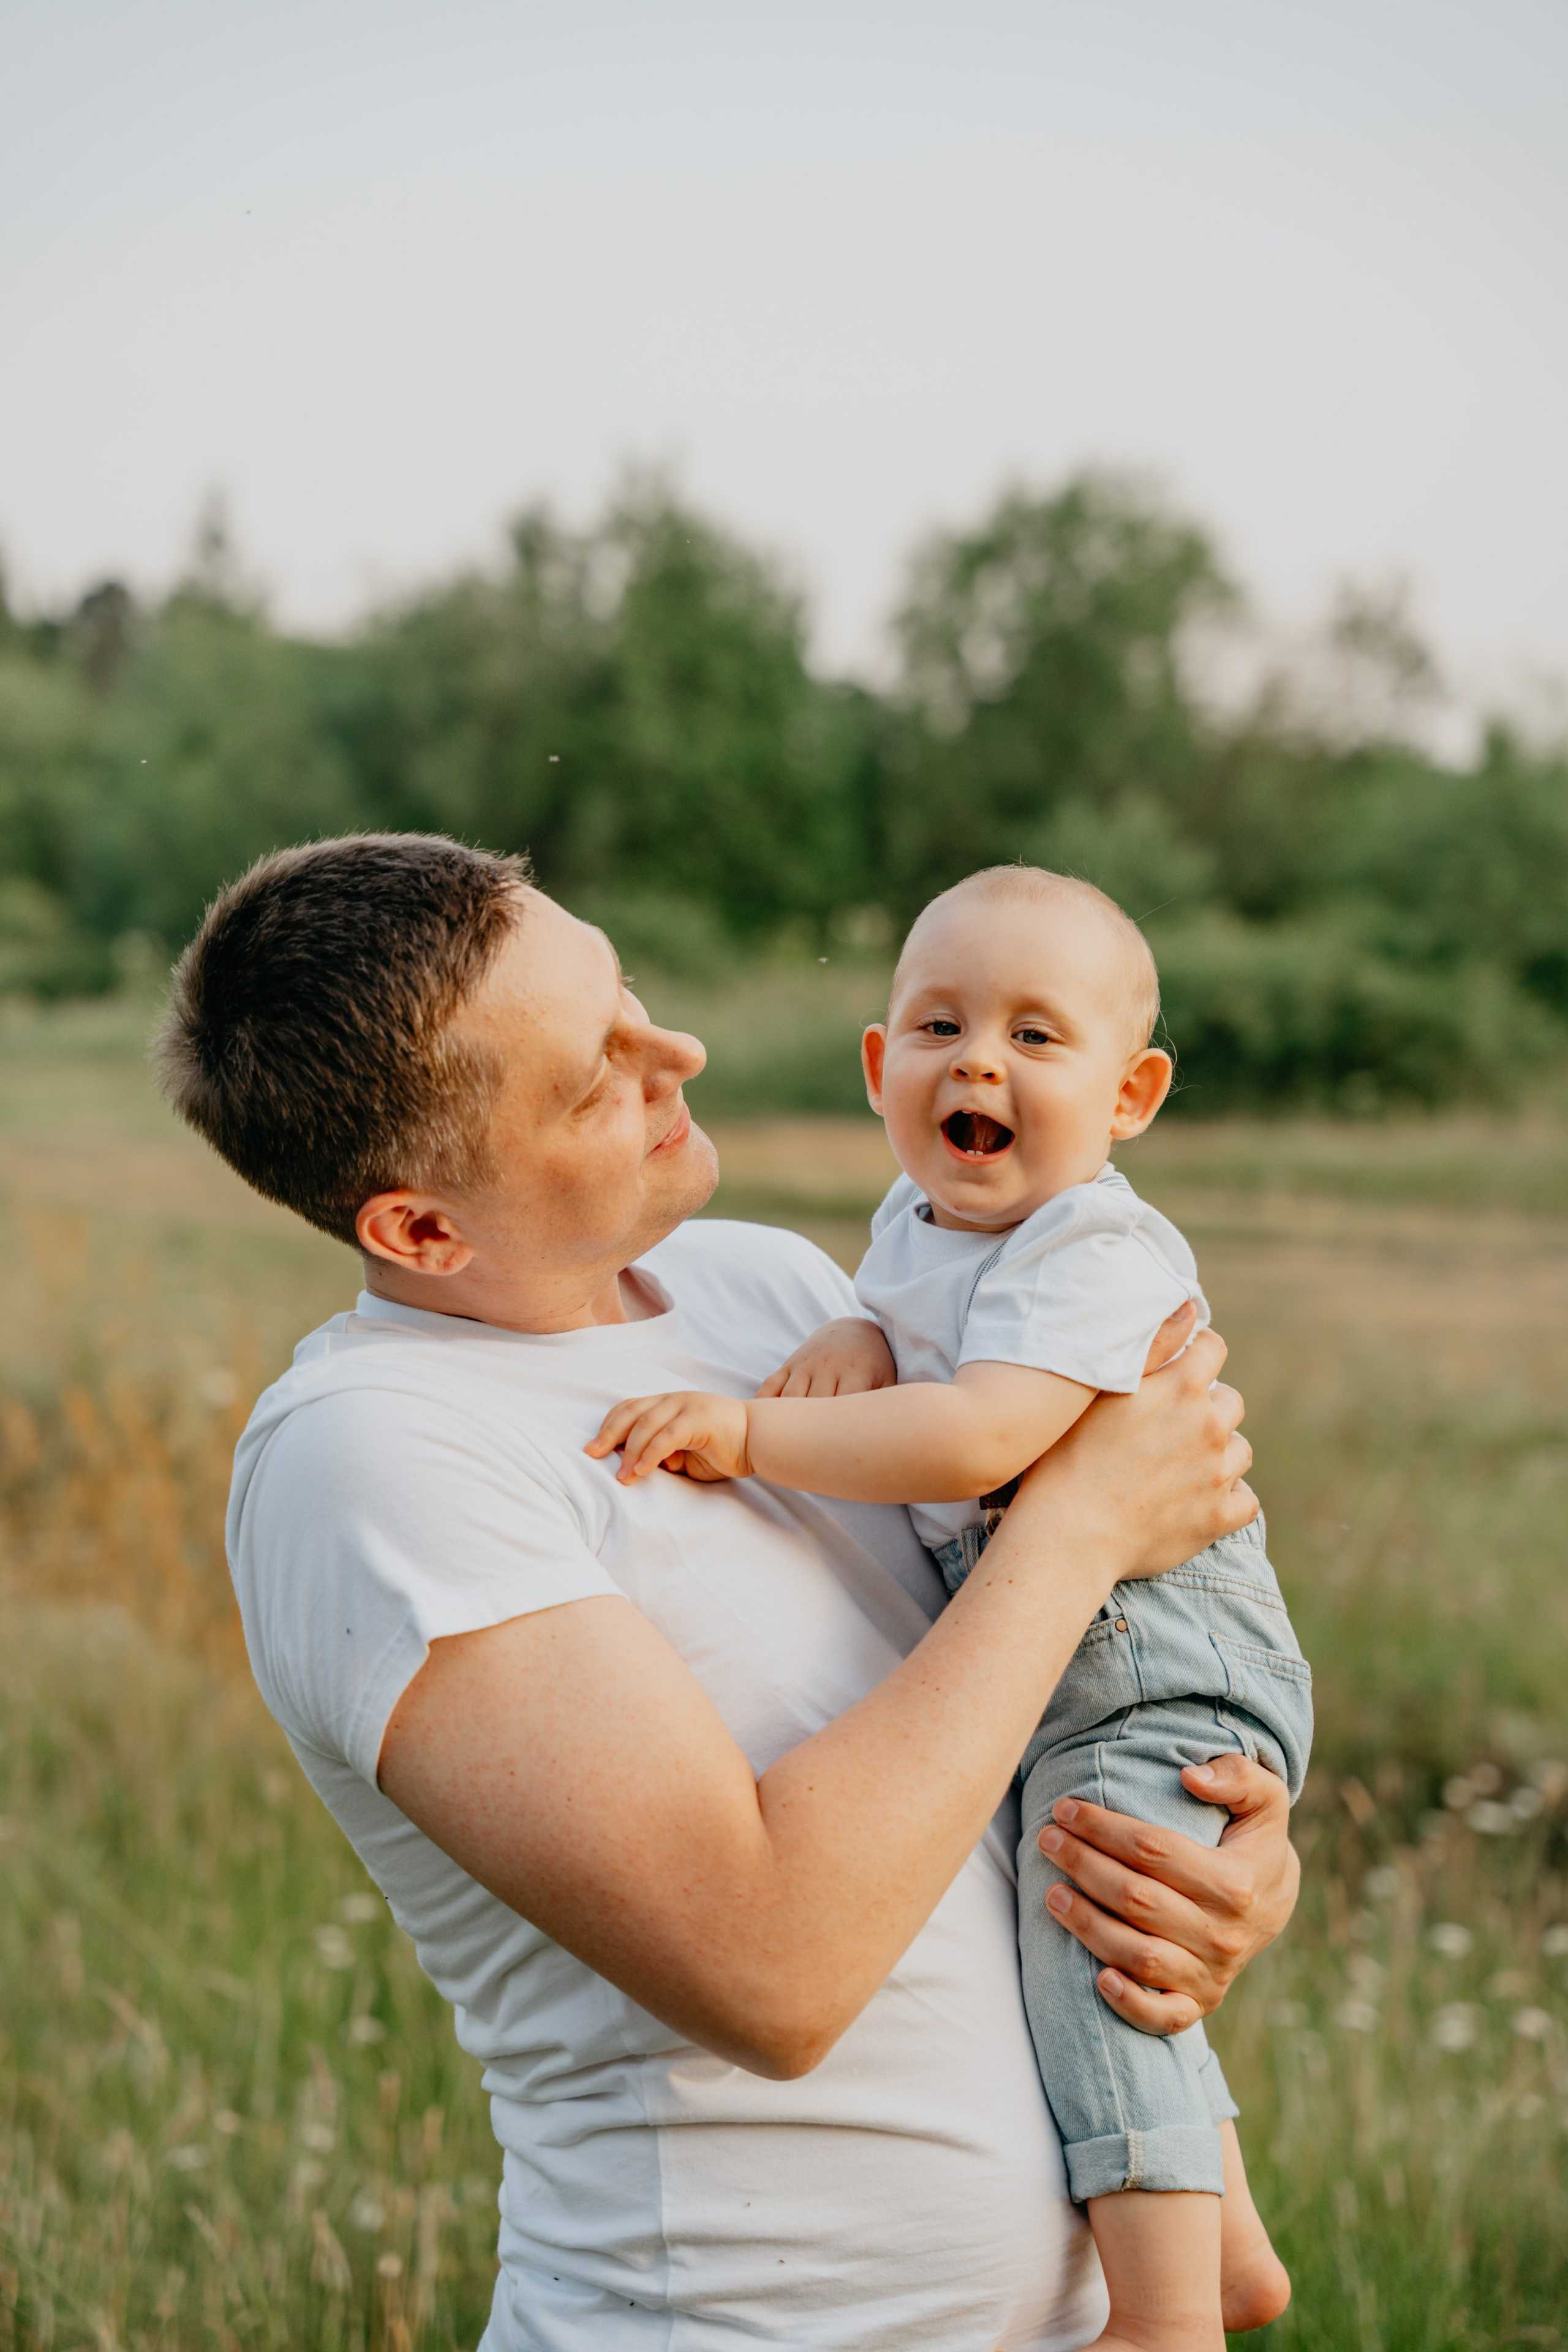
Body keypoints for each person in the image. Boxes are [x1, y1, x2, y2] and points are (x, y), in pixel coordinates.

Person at [154, 833, 1300, 2352]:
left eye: (627, 991)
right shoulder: (373, 1456)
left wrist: (1205, 1870)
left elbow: (988, 1703)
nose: (674, 1049)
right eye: (593, 1073)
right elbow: (773, 1969)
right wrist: (1078, 1528)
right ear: (419, 1229)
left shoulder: (762, 1287)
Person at [592, 866, 1309, 2350]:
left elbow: (984, 1435)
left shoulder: (1089, 1248)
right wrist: (858, 1326)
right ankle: (1221, 2242)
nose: (978, 1060)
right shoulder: (921, 1219)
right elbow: (916, 1323)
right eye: (940, 1025)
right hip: (1061, 1638)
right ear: (878, 1068)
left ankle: (1173, 2317)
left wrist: (746, 1434)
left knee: (1095, 1937)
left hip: (1149, 1646)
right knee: (1089, 1929)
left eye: (1037, 1038)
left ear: (1130, 1095)